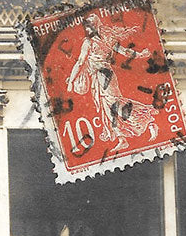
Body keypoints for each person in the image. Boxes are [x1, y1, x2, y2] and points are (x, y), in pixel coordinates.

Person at [66, 10, 159, 152]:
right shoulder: (105, 39)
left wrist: (72, 81)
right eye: (86, 27)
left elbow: (80, 62)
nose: (87, 29)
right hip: (102, 75)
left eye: (89, 26)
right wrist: (139, 54)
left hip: (103, 75)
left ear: (96, 26)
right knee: (108, 108)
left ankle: (147, 119)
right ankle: (121, 138)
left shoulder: (90, 42)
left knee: (115, 105)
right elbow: (123, 51)